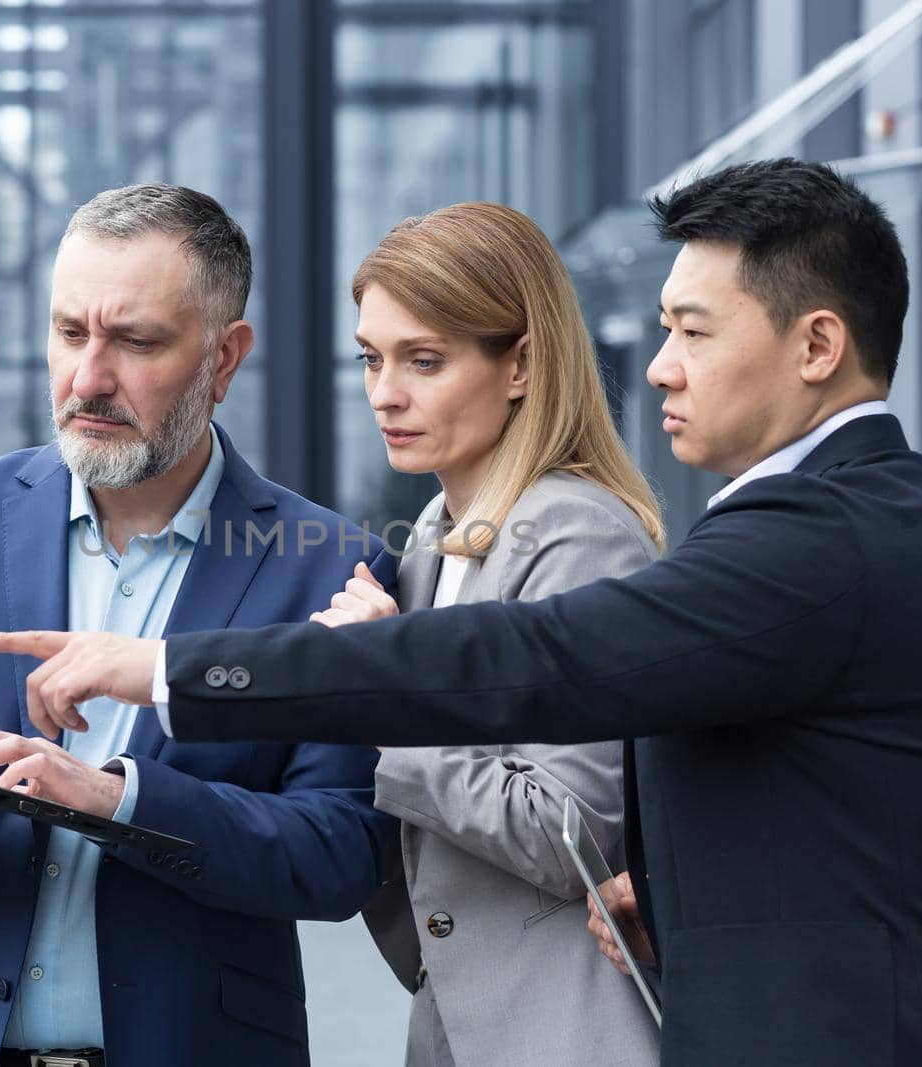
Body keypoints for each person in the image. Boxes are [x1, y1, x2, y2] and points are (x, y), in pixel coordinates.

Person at [0, 161, 922, 1066]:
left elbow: (550, 669)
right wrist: (659, 888)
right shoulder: (811, 522)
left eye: (692, 329)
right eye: (371, 357)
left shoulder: (814, 535)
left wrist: (176, 669)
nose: (661, 361)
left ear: (814, 346)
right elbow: (782, 795)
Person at [0, 184, 395, 1067]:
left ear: (224, 357)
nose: (88, 378)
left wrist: (114, 798)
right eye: (69, 333)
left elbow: (339, 853)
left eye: (134, 341)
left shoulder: (326, 566)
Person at [308, 202, 662, 1066]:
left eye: (424, 360)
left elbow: (568, 827)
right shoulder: (434, 531)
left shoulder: (579, 533)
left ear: (522, 365)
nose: (385, 392)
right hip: (460, 1018)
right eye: (371, 358)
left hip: (566, 1029)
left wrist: (386, 683)